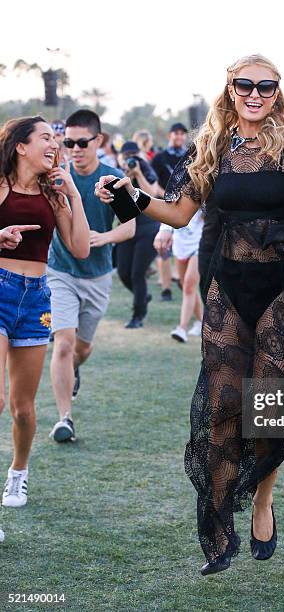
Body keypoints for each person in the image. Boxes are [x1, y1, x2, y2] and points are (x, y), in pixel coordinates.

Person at [95, 54, 284, 575]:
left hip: (283, 289)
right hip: (227, 285)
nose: (255, 94)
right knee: (220, 406)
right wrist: (129, 195)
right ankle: (219, 524)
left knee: (266, 405)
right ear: (231, 89)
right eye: (245, 85)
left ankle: (262, 500)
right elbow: (176, 212)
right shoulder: (212, 148)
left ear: (278, 91)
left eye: (266, 86)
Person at [0, 116, 90, 506]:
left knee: (23, 409)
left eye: (56, 139)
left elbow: (81, 248)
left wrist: (75, 196)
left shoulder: (53, 194)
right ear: (21, 146)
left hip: (37, 297)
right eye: (46, 138)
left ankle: (18, 473)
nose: (55, 145)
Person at [48, 110, 135, 444]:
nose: (74, 149)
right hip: (60, 270)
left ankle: (75, 367)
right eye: (68, 142)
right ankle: (64, 418)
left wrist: (104, 237)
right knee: (63, 343)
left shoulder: (113, 179)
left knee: (81, 348)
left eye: (82, 142)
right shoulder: (57, 175)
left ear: (97, 141)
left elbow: (129, 228)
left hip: (98, 275)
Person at [116, 141, 160, 328]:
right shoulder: (117, 173)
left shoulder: (147, 170)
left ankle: (138, 316)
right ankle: (143, 296)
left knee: (137, 273)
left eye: (133, 155)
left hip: (148, 228)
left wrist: (138, 174)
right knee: (123, 271)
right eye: (126, 156)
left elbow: (152, 195)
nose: (130, 159)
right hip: (127, 226)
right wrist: (125, 175)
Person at [152, 123, 189, 302]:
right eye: (176, 133)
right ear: (170, 135)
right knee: (164, 250)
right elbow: (153, 182)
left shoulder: (189, 155)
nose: (179, 137)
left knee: (183, 251)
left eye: (182, 134)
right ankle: (166, 288)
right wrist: (166, 196)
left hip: (188, 208)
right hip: (164, 205)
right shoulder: (160, 158)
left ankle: (185, 284)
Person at [165, 210, 204, 342]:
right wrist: (165, 230)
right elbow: (167, 207)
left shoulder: (206, 191)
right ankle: (202, 322)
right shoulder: (176, 189)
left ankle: (181, 328)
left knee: (188, 286)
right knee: (187, 287)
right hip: (180, 243)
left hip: (200, 242)